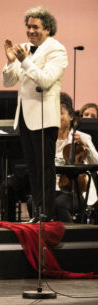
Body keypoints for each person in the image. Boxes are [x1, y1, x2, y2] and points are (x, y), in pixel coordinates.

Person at [2, 6, 68, 221]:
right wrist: (11, 61)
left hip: (43, 117)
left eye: (35, 27)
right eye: (28, 27)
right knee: (32, 166)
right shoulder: (23, 49)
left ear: (47, 28)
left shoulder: (57, 50)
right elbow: (8, 81)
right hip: (25, 115)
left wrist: (24, 61)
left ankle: (46, 212)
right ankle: (37, 211)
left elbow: (46, 80)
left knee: (44, 167)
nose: (30, 31)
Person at [55, 93, 98, 222]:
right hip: (54, 188)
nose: (56, 117)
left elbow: (96, 162)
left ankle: (71, 236)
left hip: (77, 190)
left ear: (71, 117)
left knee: (59, 204)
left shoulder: (83, 137)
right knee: (33, 202)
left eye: (60, 113)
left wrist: (86, 148)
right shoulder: (49, 140)